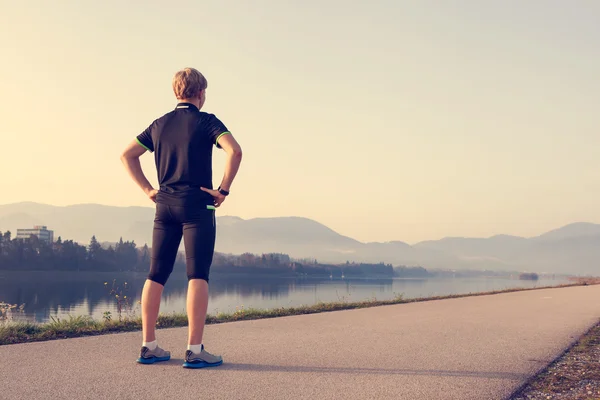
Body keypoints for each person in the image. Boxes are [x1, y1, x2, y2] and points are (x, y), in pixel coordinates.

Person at [120, 67, 242, 368]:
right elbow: (235, 151)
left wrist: (149, 189)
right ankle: (195, 349)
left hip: (164, 205)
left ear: (176, 92)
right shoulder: (207, 121)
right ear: (200, 93)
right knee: (197, 274)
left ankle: (149, 346)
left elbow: (127, 155)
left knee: (156, 274)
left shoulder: (159, 125)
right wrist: (223, 190)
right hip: (197, 206)